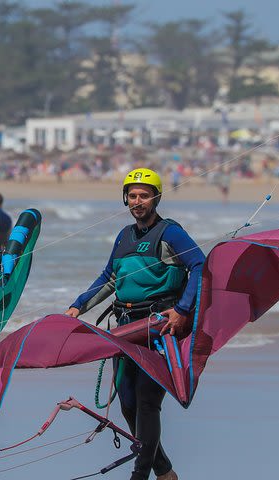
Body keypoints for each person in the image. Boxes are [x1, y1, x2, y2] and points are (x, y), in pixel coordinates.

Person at [64, 168, 204, 480]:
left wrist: (182, 310)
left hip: (158, 329)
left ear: (156, 197)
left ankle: (139, 476)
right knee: (127, 404)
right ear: (125, 197)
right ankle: (165, 473)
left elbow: (199, 266)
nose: (137, 200)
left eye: (143, 195)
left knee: (146, 402)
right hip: (125, 329)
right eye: (132, 195)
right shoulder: (124, 235)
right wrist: (78, 306)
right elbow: (109, 278)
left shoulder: (170, 233)